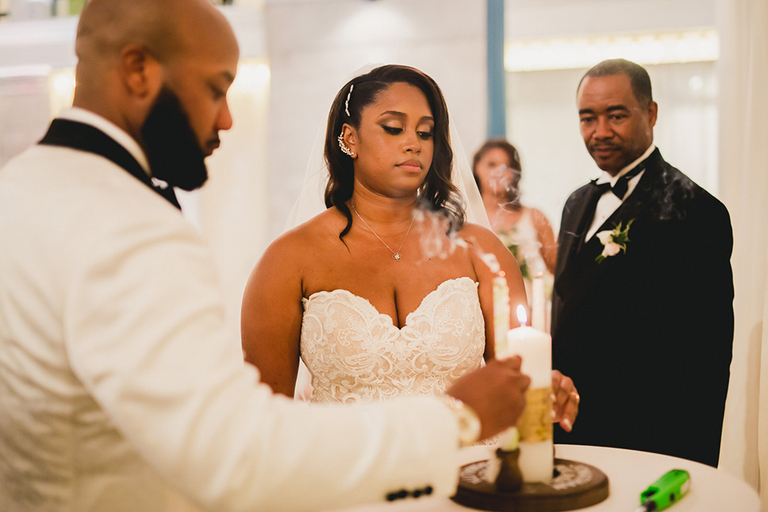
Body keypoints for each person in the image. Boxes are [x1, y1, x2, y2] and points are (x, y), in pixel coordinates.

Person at [0, 2, 539, 511]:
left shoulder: (16, 190)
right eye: (216, 89)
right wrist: (454, 420)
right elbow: (231, 449)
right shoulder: (131, 226)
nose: (227, 119)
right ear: (138, 71)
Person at [241, 65, 578, 431]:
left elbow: (518, 381)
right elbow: (266, 421)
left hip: (470, 463)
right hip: (347, 464)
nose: (413, 143)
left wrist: (545, 386)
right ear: (350, 138)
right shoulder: (289, 259)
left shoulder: (480, 250)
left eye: (425, 132)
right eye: (393, 128)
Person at [551, 58, 734, 467]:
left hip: (644, 437)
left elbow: (705, 360)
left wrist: (688, 464)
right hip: (568, 430)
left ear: (650, 113)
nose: (600, 131)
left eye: (616, 116)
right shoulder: (576, 203)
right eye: (587, 118)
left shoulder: (697, 211)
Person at [472, 138, 557, 279]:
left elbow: (556, 269)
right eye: (492, 164)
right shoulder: (464, 217)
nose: (499, 172)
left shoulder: (535, 217)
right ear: (477, 167)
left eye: (507, 167)